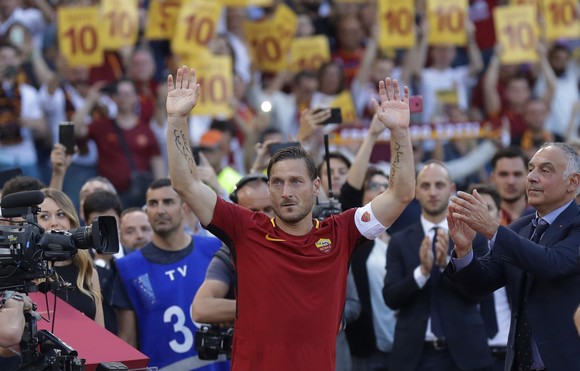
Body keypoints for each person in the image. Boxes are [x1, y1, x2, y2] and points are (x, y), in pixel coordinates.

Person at [165, 66, 415, 370]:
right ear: (269, 189)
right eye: (277, 183)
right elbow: (185, 184)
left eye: (296, 181)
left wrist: (399, 132)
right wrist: (177, 119)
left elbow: (400, 194)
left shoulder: (342, 231)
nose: (286, 192)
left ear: (316, 186)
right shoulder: (245, 228)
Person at [446, 142, 580, 370]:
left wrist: (492, 229)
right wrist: (463, 249)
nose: (532, 178)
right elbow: (480, 284)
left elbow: (552, 263)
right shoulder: (520, 228)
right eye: (531, 169)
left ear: (572, 182)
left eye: (545, 170)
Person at [383, 161, 492, 371]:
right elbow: (391, 298)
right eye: (425, 186)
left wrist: (447, 266)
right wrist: (422, 273)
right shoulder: (399, 241)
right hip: (414, 356)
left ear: (451, 189)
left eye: (439, 185)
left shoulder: (472, 238)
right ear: (416, 191)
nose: (432, 192)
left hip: (466, 353)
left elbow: (479, 293)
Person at [113, 178, 228, 370]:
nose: (160, 210)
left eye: (168, 202)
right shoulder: (128, 268)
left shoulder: (215, 249)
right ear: (146, 212)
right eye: (153, 203)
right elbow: (128, 341)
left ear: (184, 209)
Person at [36, 188, 104, 326]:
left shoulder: (89, 273)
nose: (54, 222)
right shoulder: (28, 275)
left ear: (71, 221)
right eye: (44, 216)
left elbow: (101, 334)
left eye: (61, 214)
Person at [466, 183, 511, 371]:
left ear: (500, 215)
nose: (480, 215)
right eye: (474, 208)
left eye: (487, 209)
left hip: (512, 353)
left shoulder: (514, 250)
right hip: (469, 356)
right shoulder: (454, 255)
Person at [490, 147, 534, 226]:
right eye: (503, 174)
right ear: (493, 178)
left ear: (529, 176)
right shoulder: (485, 219)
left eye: (517, 174)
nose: (511, 181)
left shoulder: (544, 216)